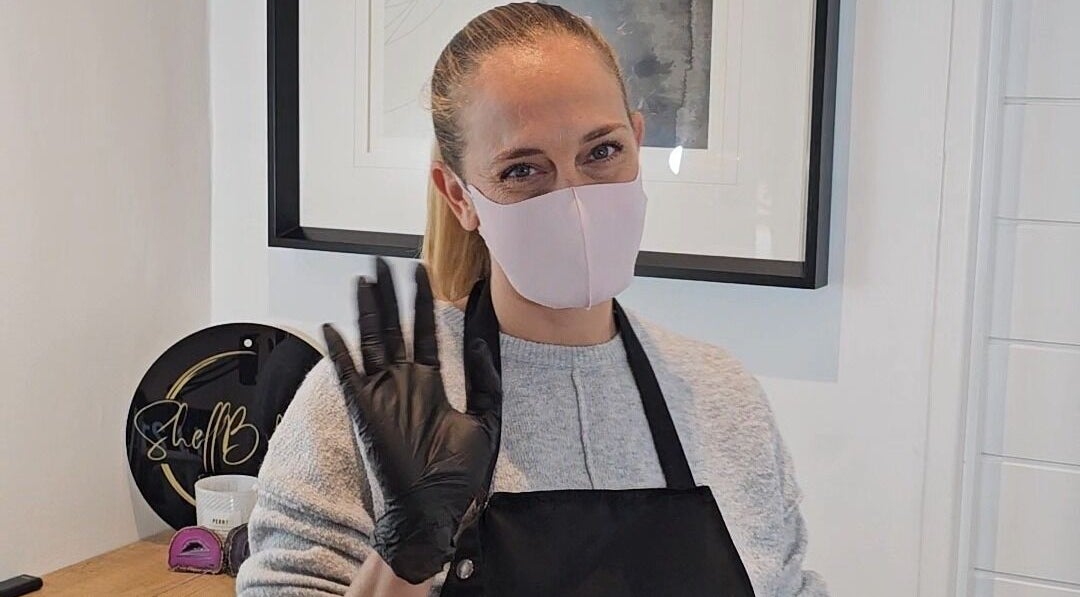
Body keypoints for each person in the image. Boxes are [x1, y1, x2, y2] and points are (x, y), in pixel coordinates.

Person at [235, 3, 828, 596]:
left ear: (638, 143)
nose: (574, 198)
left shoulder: (722, 398)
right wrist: (406, 555)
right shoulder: (377, 408)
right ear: (459, 195)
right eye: (522, 170)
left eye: (602, 151)